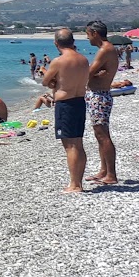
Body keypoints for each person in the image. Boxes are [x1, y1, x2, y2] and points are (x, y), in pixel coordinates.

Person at [42, 28, 90, 192]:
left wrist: (52, 81)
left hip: (65, 104)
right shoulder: (83, 59)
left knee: (70, 146)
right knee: (78, 143)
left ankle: (75, 184)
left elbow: (45, 81)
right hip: (80, 102)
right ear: (73, 42)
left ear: (56, 43)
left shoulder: (58, 61)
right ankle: (79, 182)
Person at [84, 22, 120, 186]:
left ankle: (111, 174)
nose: (87, 37)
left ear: (94, 33)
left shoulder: (105, 49)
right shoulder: (107, 49)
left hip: (99, 96)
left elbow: (88, 73)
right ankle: (104, 170)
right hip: (98, 95)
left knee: (102, 135)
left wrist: (93, 74)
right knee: (100, 135)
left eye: (88, 34)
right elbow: (93, 73)